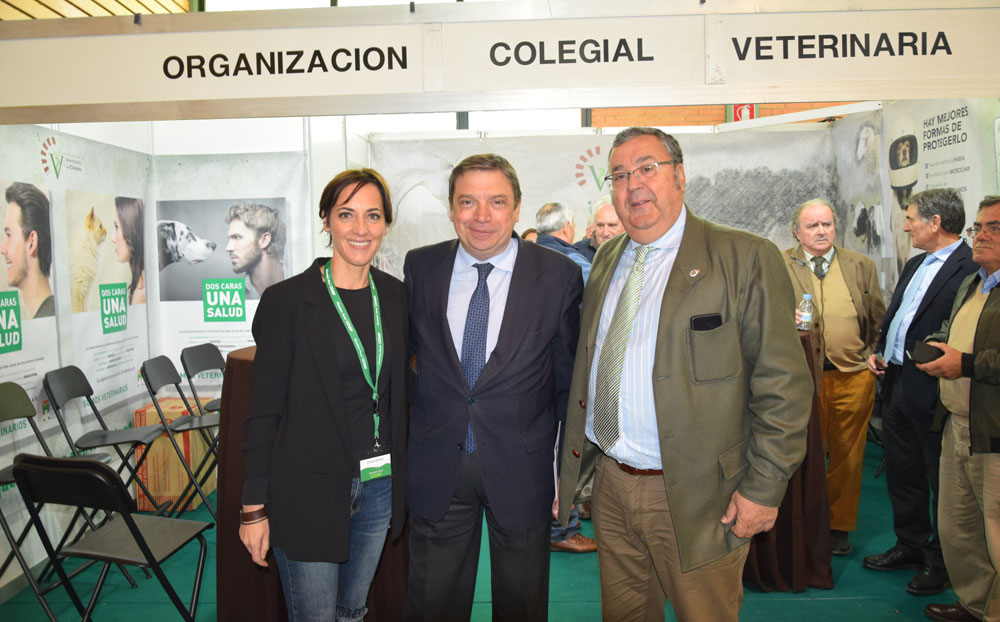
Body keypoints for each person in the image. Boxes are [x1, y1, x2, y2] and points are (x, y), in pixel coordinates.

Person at [557, 127, 812, 622]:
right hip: (612, 486)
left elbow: (783, 387)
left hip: (700, 496)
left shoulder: (744, 258)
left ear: (680, 176)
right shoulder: (608, 259)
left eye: (647, 168)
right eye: (619, 175)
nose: (633, 185)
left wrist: (764, 486)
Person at [404, 153, 582, 621]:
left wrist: (566, 469)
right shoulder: (420, 268)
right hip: (438, 466)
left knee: (521, 606)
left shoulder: (558, 275)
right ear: (450, 208)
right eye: (468, 202)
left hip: (522, 468)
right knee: (431, 606)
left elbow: (567, 380)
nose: (482, 217)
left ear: (518, 207)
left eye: (496, 202)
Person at [240, 169, 407, 622]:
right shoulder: (286, 302)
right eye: (346, 214)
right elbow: (263, 411)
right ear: (326, 220)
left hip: (379, 486)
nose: (360, 228)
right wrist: (253, 508)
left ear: (386, 224)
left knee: (351, 611)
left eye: (372, 216)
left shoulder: (395, 298)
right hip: (308, 489)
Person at [864, 187, 977, 596]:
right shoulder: (916, 263)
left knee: (941, 482)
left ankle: (941, 560)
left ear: (936, 223)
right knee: (902, 472)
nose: (906, 225)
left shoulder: (970, 267)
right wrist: (881, 352)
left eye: (912, 218)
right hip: (895, 383)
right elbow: (901, 317)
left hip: (935, 391)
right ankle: (910, 545)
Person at [783, 198, 885, 555]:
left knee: (848, 456)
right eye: (812, 225)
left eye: (826, 224)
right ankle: (801, 521)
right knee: (800, 453)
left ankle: (838, 526)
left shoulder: (861, 265)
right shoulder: (780, 265)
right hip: (800, 382)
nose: (821, 231)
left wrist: (873, 352)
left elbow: (877, 317)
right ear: (797, 231)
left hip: (852, 376)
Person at [917, 195, 1000, 622]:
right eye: (978, 228)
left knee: (996, 532)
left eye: (994, 228)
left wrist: (963, 363)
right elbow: (956, 332)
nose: (981, 235)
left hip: (993, 433)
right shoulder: (974, 283)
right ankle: (975, 603)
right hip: (956, 423)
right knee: (959, 529)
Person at [532, 200, 597, 555]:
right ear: (568, 228)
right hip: (566, 377)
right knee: (564, 452)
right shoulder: (577, 266)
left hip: (531, 381)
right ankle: (564, 528)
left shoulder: (522, 259)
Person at [2, 182, 53, 318]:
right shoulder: (50, 316)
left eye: (9, 235)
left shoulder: (48, 319)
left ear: (31, 242)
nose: (2, 249)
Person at [225, 202, 286, 297]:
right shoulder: (235, 297)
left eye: (237, 237)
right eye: (229, 239)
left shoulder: (300, 279)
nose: (228, 248)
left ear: (264, 240)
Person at [535, 201, 592, 283]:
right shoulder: (572, 260)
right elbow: (604, 286)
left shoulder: (525, 256)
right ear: (566, 228)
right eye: (573, 226)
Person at [113, 196, 146, 305]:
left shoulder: (141, 292)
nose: (112, 239)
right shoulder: (142, 281)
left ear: (131, 229)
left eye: (116, 227)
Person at [574, 197, 623, 262]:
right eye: (600, 225)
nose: (606, 233)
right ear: (594, 225)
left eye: (612, 225)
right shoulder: (577, 253)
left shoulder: (637, 251)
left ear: (625, 225)